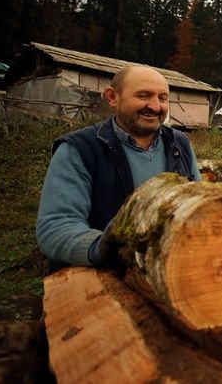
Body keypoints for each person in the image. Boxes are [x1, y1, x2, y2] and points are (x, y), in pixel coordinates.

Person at [36, 66, 201, 272]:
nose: (155, 106)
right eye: (143, 96)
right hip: (99, 281)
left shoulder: (179, 143)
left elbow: (198, 206)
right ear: (113, 97)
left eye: (163, 98)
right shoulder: (80, 149)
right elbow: (55, 227)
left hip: (168, 272)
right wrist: (103, 248)